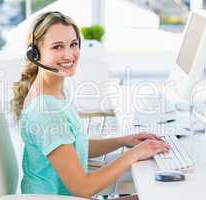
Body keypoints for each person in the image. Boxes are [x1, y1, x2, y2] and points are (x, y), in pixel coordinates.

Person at [11, 11, 170, 200]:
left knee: (160, 194)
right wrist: (134, 154)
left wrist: (124, 140)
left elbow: (73, 147)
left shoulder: (54, 91)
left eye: (73, 44)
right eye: (57, 47)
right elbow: (83, 188)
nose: (69, 54)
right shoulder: (46, 111)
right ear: (35, 53)